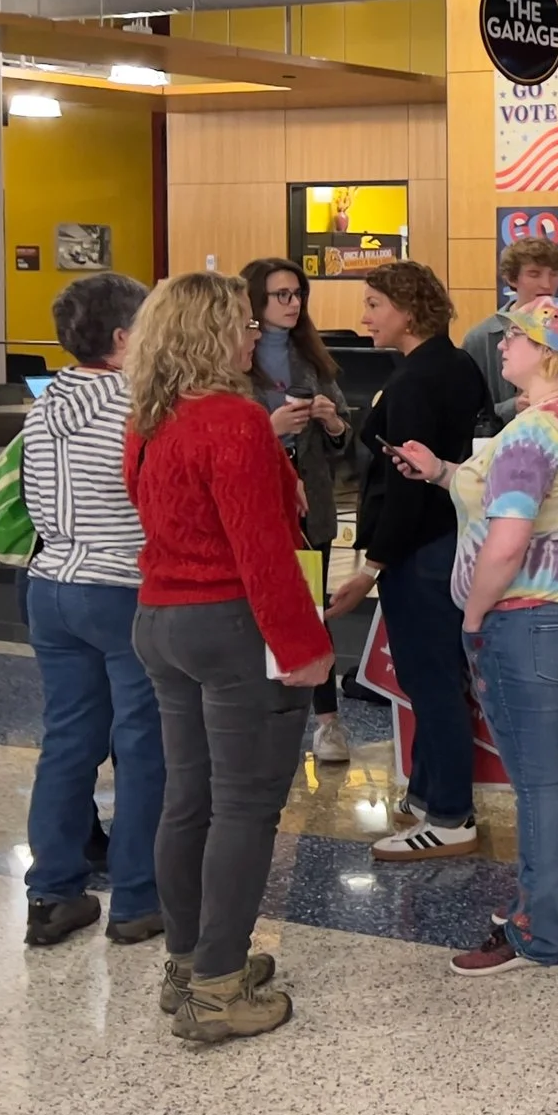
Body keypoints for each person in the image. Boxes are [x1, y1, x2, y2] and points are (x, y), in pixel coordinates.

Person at [123, 271, 334, 1043]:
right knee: (244, 806)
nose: (254, 334)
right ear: (212, 334)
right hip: (230, 626)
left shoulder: (150, 418)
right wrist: (306, 647)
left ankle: (189, 965)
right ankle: (218, 988)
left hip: (161, 619)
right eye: (243, 323)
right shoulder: (234, 420)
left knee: (190, 798)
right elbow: (261, 552)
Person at [392, 299, 558, 976]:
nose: (501, 344)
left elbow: (507, 542)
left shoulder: (532, 433)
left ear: (550, 352)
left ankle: (536, 931)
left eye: (515, 336)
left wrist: (472, 617)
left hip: (531, 618)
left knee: (539, 783)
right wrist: (442, 472)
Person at [325, 262, 492, 864]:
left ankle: (449, 815)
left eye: (374, 305)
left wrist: (372, 565)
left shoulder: (418, 380)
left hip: (423, 551)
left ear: (408, 309)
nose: (364, 317)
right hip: (446, 540)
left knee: (432, 683)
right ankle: (426, 792)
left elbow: (406, 489)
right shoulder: (454, 364)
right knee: (432, 680)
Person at [19, 271, 158, 949]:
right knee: (141, 744)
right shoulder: (140, 404)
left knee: (68, 740)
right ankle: (137, 898)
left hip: (50, 584)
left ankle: (52, 893)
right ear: (125, 338)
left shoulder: (44, 403)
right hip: (121, 586)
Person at [241, 257, 355, 767]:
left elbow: (345, 439)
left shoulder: (311, 355)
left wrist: (332, 423)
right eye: (281, 295)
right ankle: (257, 714)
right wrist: (271, 428)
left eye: (297, 294)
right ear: (256, 301)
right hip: (258, 503)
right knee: (253, 609)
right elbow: (224, 437)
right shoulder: (233, 360)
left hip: (312, 505)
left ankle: (327, 721)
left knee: (312, 606)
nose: (292, 304)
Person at [462, 239, 558, 434]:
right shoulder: (480, 339)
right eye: (534, 274)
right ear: (512, 279)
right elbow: (464, 412)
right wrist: (511, 408)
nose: (546, 284)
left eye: (554, 274)